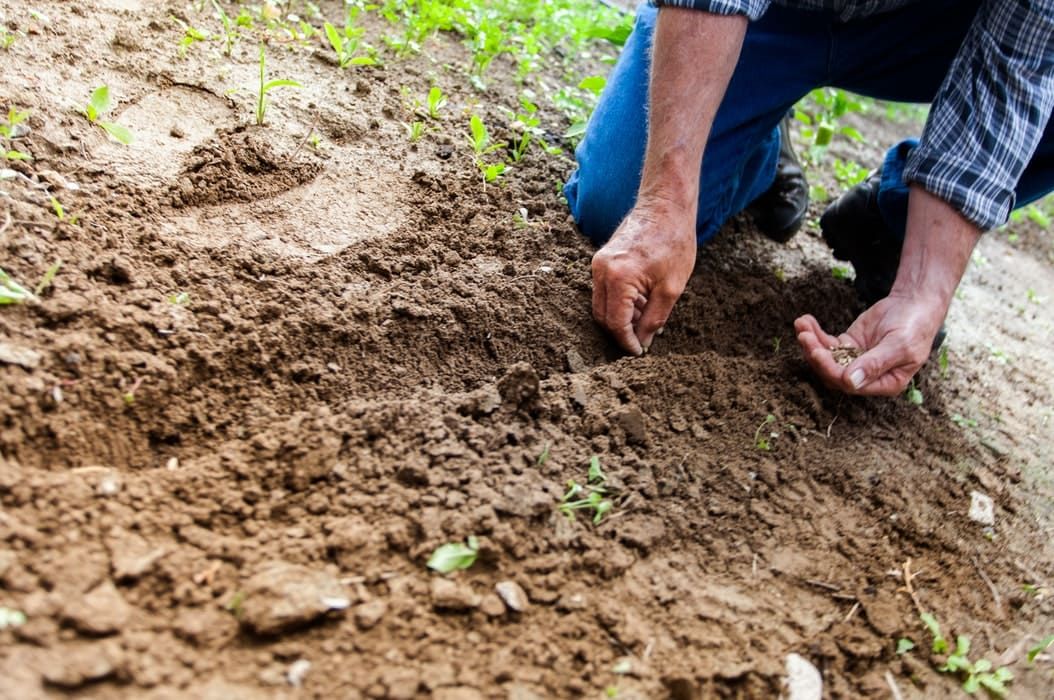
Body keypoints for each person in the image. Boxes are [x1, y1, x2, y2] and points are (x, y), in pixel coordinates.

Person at [564, 0, 1054, 396]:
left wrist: (923, 290)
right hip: (771, 14)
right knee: (618, 204)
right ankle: (757, 143)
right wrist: (664, 202)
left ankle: (895, 225)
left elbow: (1018, 66)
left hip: (930, 28)